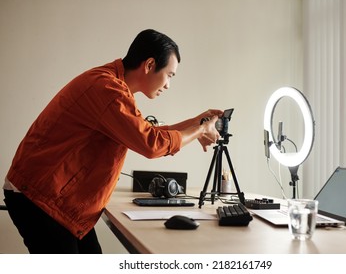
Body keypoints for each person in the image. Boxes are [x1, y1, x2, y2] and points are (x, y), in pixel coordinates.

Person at [3, 29, 223, 253]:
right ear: (149, 65)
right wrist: (200, 130)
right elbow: (150, 143)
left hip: (50, 198)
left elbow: (145, 132)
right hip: (39, 198)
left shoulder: (113, 86)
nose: (168, 85)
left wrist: (196, 124)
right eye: (170, 75)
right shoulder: (108, 90)